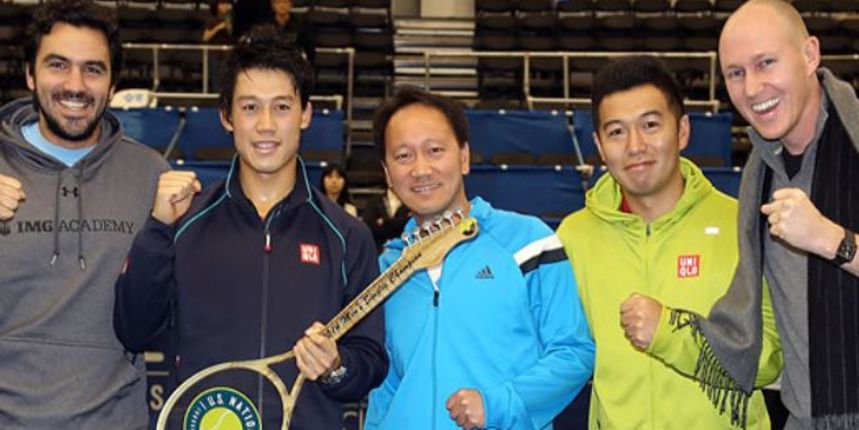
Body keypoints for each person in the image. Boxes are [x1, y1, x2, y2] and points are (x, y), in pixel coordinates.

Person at [113, 26, 386, 429]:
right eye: (250, 107)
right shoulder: (182, 223)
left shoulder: (347, 236)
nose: (266, 125)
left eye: (282, 107)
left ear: (306, 114)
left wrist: (335, 365)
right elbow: (133, 331)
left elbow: (370, 361)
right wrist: (157, 230)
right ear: (227, 117)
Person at [623, 1, 859, 429]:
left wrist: (831, 240)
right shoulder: (760, 174)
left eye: (766, 63)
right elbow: (747, 335)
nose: (751, 88)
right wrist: (670, 331)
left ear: (810, 55)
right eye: (735, 73)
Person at [555, 56, 782, 430]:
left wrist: (670, 334)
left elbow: (769, 359)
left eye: (650, 125)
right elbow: (561, 354)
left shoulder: (742, 225)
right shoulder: (573, 236)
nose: (635, 146)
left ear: (682, 130)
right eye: (616, 132)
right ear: (599, 145)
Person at [364, 87, 594, 430]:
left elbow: (574, 351)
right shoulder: (387, 270)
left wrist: (499, 404)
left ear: (464, 157)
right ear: (387, 173)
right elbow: (385, 387)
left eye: (435, 150)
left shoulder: (529, 241)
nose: (421, 169)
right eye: (403, 156)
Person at [0, 0, 168, 427]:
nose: (75, 85)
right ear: (30, 74)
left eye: (93, 69)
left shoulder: (152, 175)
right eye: (58, 65)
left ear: (112, 84)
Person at [362, 184, 410, 252]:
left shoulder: (410, 201)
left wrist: (385, 222)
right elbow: (369, 226)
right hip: (377, 248)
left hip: (405, 248)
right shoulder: (374, 201)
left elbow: (408, 224)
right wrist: (396, 225)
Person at [270, 0, 315, 65]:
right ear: (273, 5)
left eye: (285, 2)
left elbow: (309, 50)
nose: (282, 5)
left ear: (291, 4)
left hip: (294, 64)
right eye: (278, 2)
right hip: (272, 64)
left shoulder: (300, 27)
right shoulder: (266, 26)